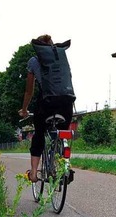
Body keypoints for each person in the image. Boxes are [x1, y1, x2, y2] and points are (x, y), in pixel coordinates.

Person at [19, 35, 76, 182]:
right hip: (67, 102)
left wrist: (24, 109)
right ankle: (64, 162)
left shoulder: (33, 61)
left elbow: (29, 91)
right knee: (62, 133)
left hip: (47, 103)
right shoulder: (60, 58)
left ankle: (33, 173)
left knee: (39, 134)